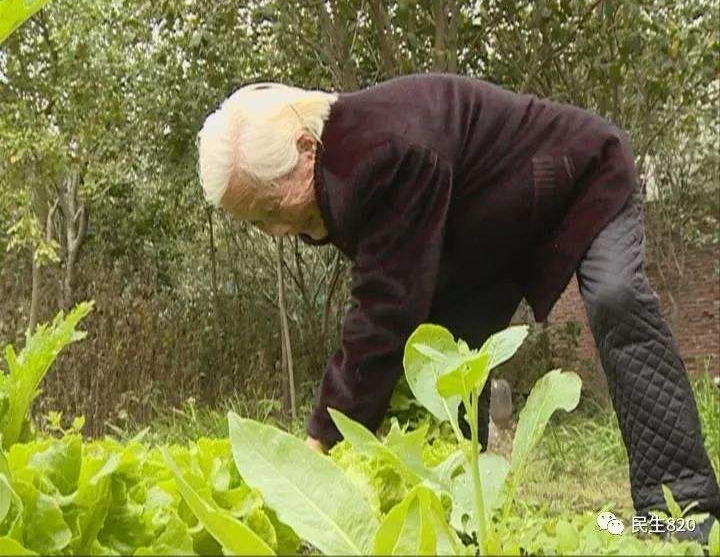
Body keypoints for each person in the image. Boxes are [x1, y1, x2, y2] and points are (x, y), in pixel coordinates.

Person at [198, 74, 719, 540]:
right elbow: (402, 297)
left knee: (615, 298)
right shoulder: (343, 162)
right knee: (440, 359)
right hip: (497, 234)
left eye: (271, 207)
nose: (279, 231)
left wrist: (318, 442)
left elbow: (382, 311)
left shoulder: (378, 156)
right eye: (258, 222)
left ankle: (682, 506)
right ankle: (468, 513)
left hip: (584, 175)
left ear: (306, 147)